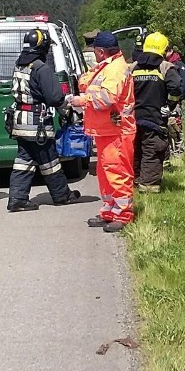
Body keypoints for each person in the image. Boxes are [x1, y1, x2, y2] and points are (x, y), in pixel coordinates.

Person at [6, 29, 81, 212]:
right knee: (50, 161)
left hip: (20, 123)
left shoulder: (20, 65)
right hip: (37, 125)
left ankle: (17, 199)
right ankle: (62, 196)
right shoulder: (41, 68)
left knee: (23, 161)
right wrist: (68, 107)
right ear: (42, 47)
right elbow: (55, 97)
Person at [69, 31, 135, 232]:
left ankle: (123, 214)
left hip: (117, 130)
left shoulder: (114, 70)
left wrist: (82, 101)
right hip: (106, 130)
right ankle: (109, 210)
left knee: (117, 172)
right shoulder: (107, 66)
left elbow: (107, 98)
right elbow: (84, 82)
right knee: (106, 173)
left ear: (100, 51)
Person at [130, 32, 180, 192]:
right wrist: (170, 105)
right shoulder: (165, 67)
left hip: (132, 119)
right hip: (155, 119)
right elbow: (176, 87)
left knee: (135, 151)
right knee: (152, 151)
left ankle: (135, 182)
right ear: (164, 50)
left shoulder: (133, 67)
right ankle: (148, 188)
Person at [164, 45, 185, 157]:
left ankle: (179, 153)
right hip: (166, 101)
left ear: (170, 51)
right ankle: (170, 152)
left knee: (175, 126)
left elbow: (184, 85)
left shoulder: (179, 65)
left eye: (165, 52)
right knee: (167, 127)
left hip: (175, 101)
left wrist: (178, 99)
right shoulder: (166, 65)